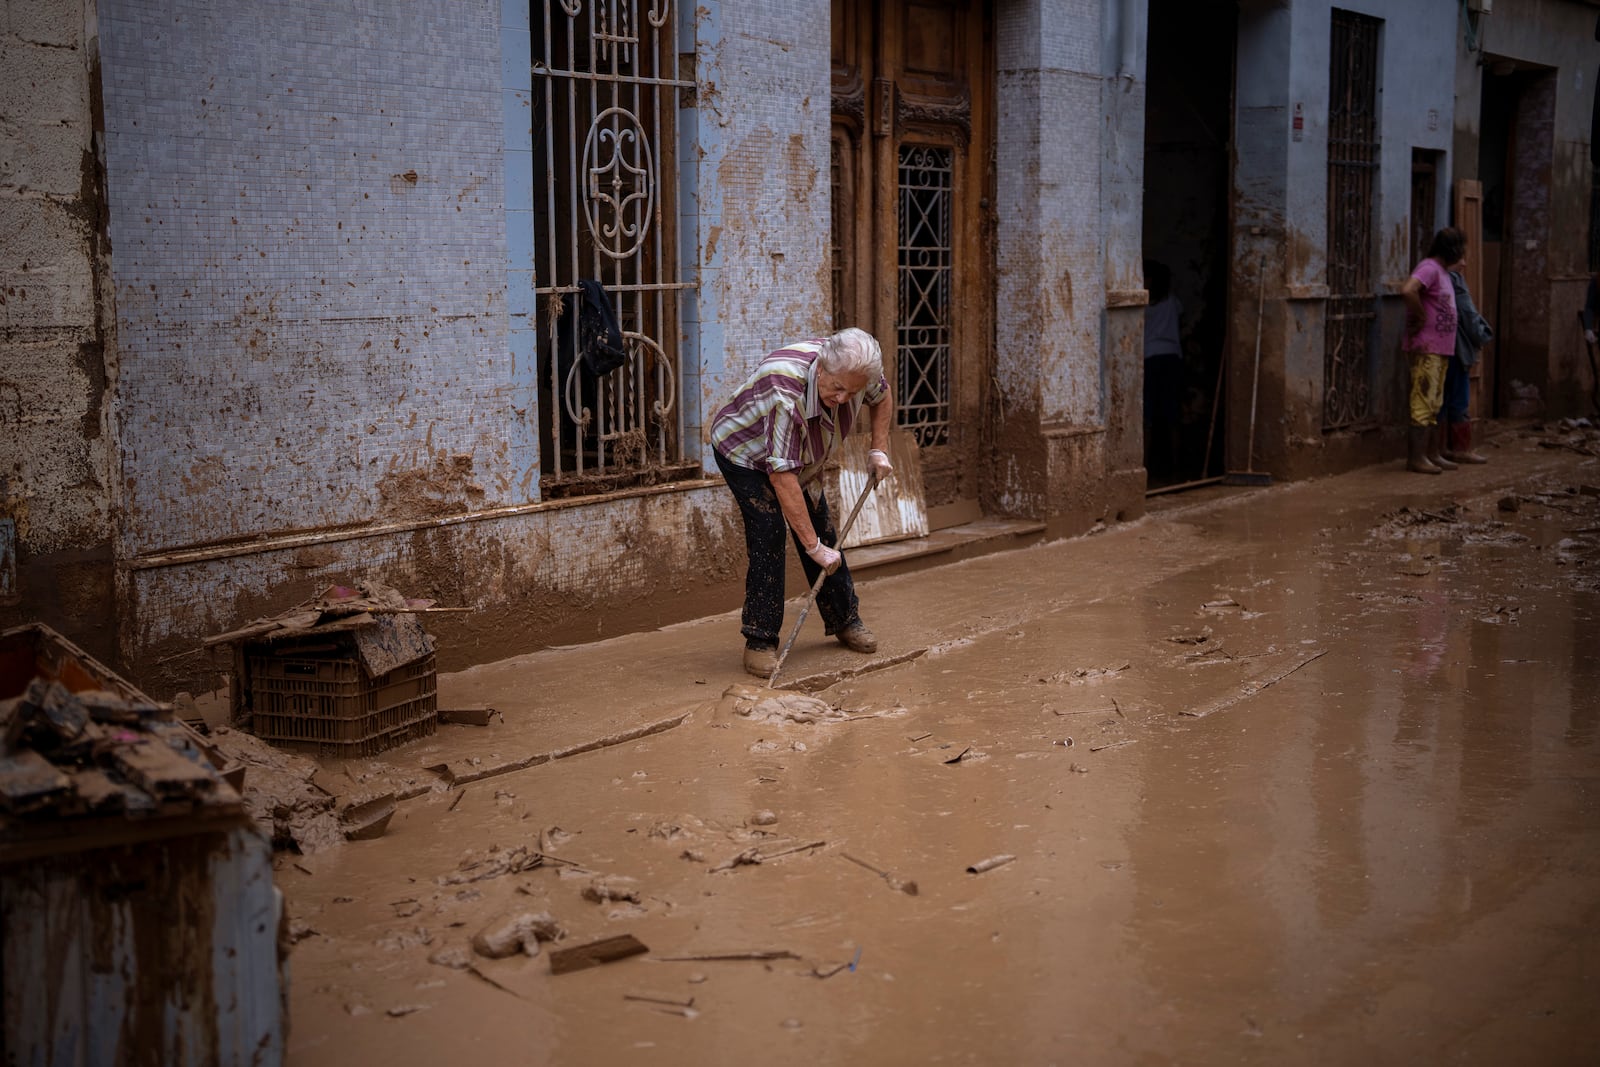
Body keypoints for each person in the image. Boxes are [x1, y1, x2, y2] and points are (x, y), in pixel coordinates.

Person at [710, 327, 895, 677]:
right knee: (769, 534)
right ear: (821, 368)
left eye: (851, 392)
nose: (843, 398)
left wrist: (878, 448)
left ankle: (844, 619)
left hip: (802, 456)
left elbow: (881, 396)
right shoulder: (785, 389)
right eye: (837, 388)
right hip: (744, 452)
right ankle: (760, 641)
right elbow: (781, 476)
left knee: (823, 529)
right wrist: (812, 548)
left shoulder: (856, 371)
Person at [1399, 228, 1466, 475]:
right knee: (1423, 400)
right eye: (1460, 251)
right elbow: (1408, 290)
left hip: (1439, 348)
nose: (1463, 259)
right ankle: (1416, 458)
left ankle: (1432, 454)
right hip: (1426, 347)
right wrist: (1419, 315)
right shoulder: (1428, 267)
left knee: (1435, 402)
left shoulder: (1444, 273)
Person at [1439, 264, 1493, 464]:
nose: (1464, 262)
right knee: (1459, 398)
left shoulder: (1435, 275)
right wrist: (1482, 335)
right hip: (1457, 347)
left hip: (1439, 344)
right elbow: (1468, 315)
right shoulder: (1454, 279)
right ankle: (1460, 449)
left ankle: (1441, 448)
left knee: (1441, 398)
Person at [1142, 260, 1183, 484]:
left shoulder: (1145, 306)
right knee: (1172, 414)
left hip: (1149, 357)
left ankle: (1145, 466)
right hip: (1172, 357)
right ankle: (1176, 466)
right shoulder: (1172, 302)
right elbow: (1181, 317)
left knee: (1147, 415)